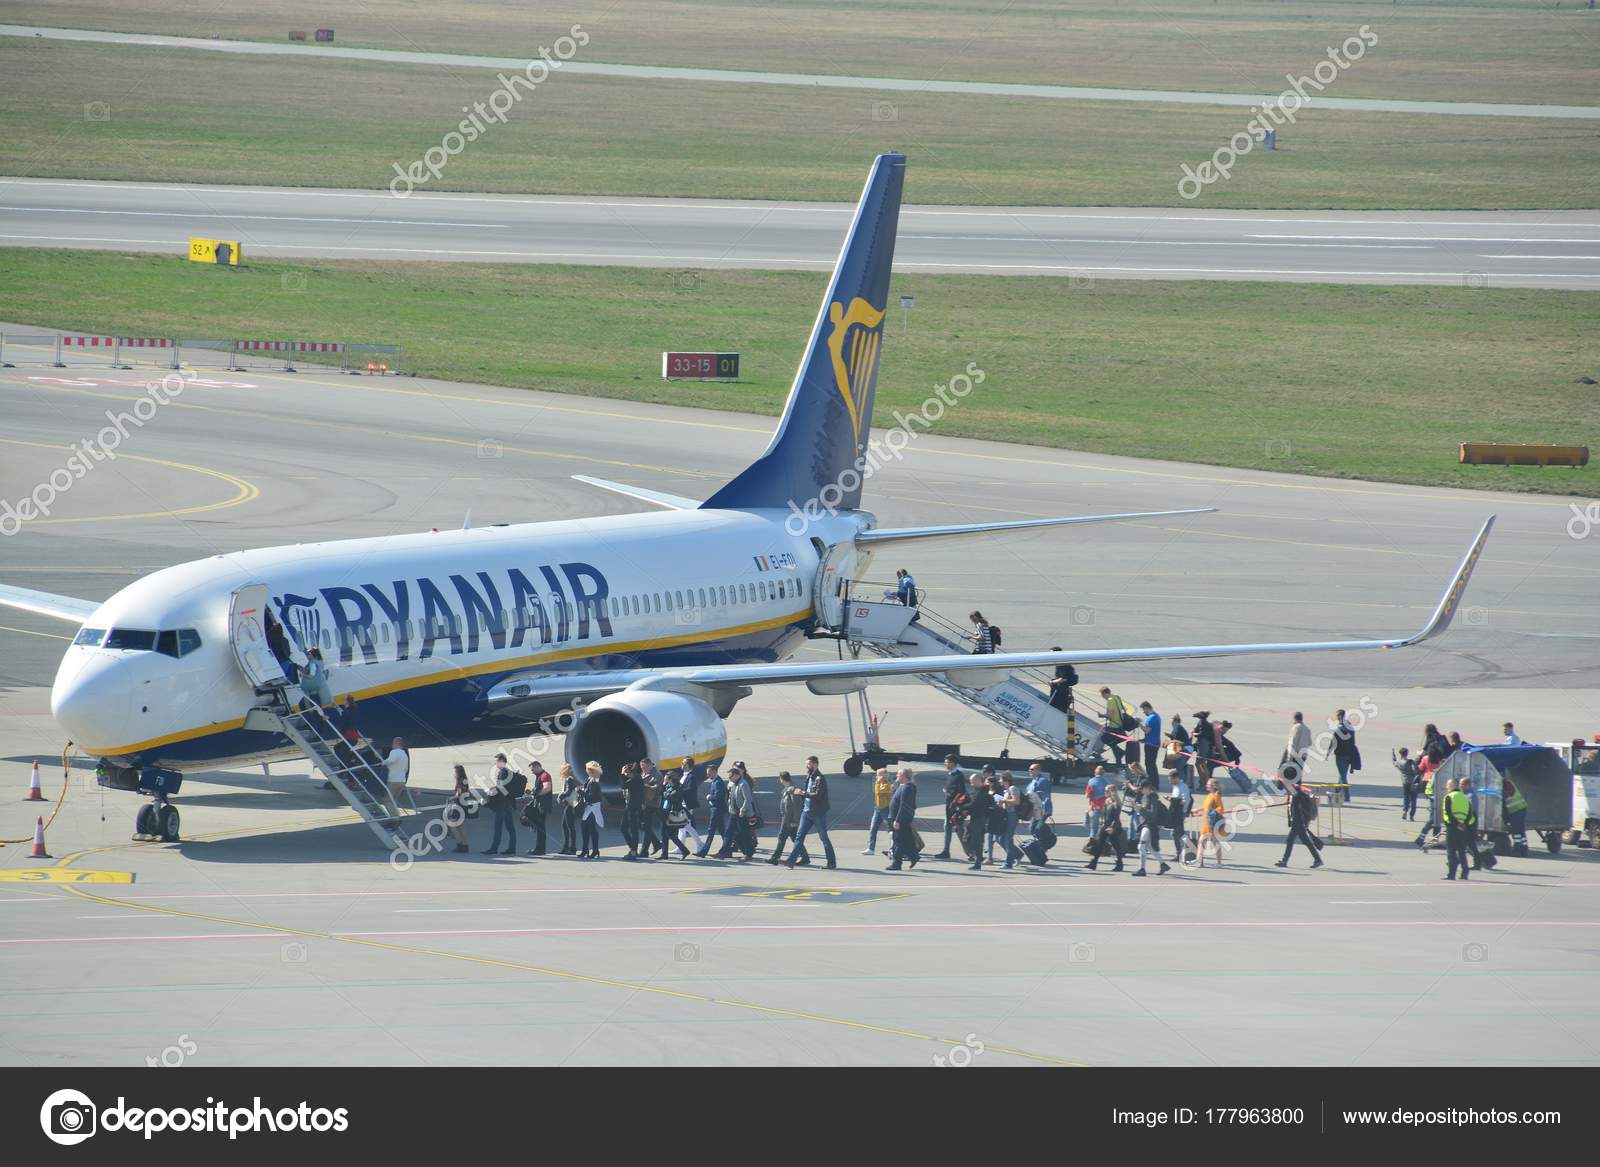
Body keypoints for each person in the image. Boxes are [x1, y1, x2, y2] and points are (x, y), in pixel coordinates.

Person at [788, 756, 836, 869]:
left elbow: (818, 795)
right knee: (799, 837)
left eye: (809, 764)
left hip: (817, 813)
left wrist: (802, 793)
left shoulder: (820, 778)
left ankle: (831, 862)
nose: (807, 766)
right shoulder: (809, 777)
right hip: (807, 811)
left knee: (824, 838)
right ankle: (791, 861)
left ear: (815, 764)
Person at [1275, 779, 1323, 869]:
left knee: (1290, 840)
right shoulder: (1295, 794)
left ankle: (1285, 861)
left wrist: (1304, 823)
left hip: (1299, 822)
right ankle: (1318, 859)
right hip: (1298, 822)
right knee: (1305, 841)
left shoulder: (1299, 795)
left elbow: (1303, 811)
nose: (1286, 790)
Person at [483, 752, 522, 855]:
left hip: (501, 804)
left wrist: (490, 792)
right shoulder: (510, 772)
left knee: (498, 827)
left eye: (496, 762)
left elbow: (501, 789)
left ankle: (494, 848)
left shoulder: (502, 773)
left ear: (501, 762)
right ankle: (512, 848)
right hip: (509, 803)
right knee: (510, 827)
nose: (495, 764)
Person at [1132, 778, 1170, 876]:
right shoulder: (1148, 797)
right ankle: (1163, 864)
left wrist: (1140, 809)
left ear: (1147, 788)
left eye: (1142, 788)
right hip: (1148, 825)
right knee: (1149, 847)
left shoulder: (1152, 798)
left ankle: (1142, 869)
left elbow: (1152, 814)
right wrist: (1139, 809)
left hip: (1150, 825)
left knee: (1141, 846)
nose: (1141, 790)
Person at [720, 762, 758, 860]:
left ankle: (749, 853)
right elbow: (731, 797)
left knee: (743, 833)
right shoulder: (733, 784)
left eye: (731, 776)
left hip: (742, 814)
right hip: (733, 812)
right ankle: (723, 852)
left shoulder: (743, 784)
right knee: (728, 833)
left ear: (737, 775)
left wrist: (742, 810)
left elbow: (747, 799)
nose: (730, 778)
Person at [1086, 780, 1126, 872]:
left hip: (1113, 827)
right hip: (1105, 826)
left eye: (1106, 791)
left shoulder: (1116, 804)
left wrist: (1112, 827)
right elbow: (1105, 814)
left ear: (1111, 792)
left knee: (1116, 846)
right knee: (1099, 844)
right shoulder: (1107, 801)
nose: (1104, 792)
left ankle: (1119, 864)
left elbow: (1116, 818)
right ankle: (1094, 863)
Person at [886, 767, 920, 870]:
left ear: (904, 776)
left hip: (900, 819)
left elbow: (904, 805)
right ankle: (914, 856)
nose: (896, 776)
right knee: (906, 839)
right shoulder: (903, 786)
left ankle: (897, 863)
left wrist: (898, 820)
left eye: (898, 774)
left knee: (898, 841)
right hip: (898, 817)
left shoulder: (907, 788)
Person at [1443, 777, 1476, 881]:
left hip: (1452, 827)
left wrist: (1455, 824)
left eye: (1448, 785)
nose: (1446, 787)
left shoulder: (1448, 797)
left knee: (1451, 851)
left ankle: (1451, 874)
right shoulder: (1465, 798)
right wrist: (1463, 824)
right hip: (1463, 828)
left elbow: (1447, 814)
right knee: (1462, 851)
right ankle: (1465, 873)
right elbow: (1470, 815)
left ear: (1451, 786)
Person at [768, 772, 804, 865]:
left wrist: (794, 821)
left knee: (782, 837)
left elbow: (796, 808)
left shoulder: (792, 790)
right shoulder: (787, 790)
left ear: (782, 779)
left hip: (788, 820)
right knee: (795, 839)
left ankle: (775, 858)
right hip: (787, 818)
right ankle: (805, 857)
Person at [935, 755, 967, 859]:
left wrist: (949, 793)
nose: (945, 764)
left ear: (952, 763)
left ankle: (970, 852)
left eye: (947, 762)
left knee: (959, 831)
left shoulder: (958, 775)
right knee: (947, 828)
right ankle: (946, 850)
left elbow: (961, 792)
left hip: (955, 808)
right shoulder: (950, 775)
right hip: (948, 807)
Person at [1326, 709, 1360, 803]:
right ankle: (1336, 793)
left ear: (1340, 716)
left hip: (1341, 755)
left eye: (1337, 716)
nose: (1336, 718)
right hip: (1350, 754)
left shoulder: (1339, 729)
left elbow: (1333, 742)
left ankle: (1347, 796)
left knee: (1343, 776)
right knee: (1342, 775)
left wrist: (1328, 753)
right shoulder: (1350, 727)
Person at [695, 762, 728, 858]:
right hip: (717, 809)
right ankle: (728, 850)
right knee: (722, 831)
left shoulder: (718, 782)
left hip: (717, 810)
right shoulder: (716, 781)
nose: (707, 775)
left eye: (709, 773)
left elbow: (718, 797)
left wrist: (709, 797)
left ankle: (703, 852)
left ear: (714, 772)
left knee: (711, 831)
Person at [661, 769, 692, 858]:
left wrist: (667, 795)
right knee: (663, 833)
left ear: (670, 779)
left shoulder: (678, 788)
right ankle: (664, 854)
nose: (665, 778)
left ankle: (684, 850)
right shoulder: (668, 786)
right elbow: (662, 793)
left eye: (666, 777)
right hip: (666, 812)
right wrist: (664, 786)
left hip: (673, 813)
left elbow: (674, 798)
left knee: (671, 834)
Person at [1100, 687, 1134, 765]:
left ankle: (1120, 753)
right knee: (1112, 742)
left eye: (1103, 696)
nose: (1103, 698)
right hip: (1120, 724)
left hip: (1114, 726)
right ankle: (1119, 758)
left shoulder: (1110, 700)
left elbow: (1109, 715)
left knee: (1104, 738)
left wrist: (1101, 715)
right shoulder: (1116, 697)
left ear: (1105, 694)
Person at [524, 760, 551, 856]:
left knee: (540, 828)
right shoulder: (540, 776)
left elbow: (547, 788)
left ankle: (540, 849)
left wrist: (537, 794)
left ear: (537, 767)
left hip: (542, 806)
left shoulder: (544, 775)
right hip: (540, 804)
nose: (532, 772)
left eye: (532, 769)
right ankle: (539, 848)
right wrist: (532, 793)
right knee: (539, 827)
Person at [964, 771, 989, 870]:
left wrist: (962, 807)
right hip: (975, 818)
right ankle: (976, 858)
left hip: (979, 819)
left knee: (976, 841)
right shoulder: (978, 790)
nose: (971, 784)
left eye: (972, 782)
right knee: (969, 838)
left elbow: (974, 805)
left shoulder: (982, 791)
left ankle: (978, 862)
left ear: (978, 781)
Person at [865, 767, 893, 855]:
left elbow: (877, 792)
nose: (876, 777)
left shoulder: (887, 785)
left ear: (883, 776)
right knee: (873, 828)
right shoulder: (880, 783)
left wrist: (878, 782)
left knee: (890, 830)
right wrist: (878, 782)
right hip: (877, 809)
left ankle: (893, 849)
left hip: (885, 809)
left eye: (877, 775)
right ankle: (871, 848)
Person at [1198, 779, 1226, 867]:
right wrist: (1197, 810)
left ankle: (1199, 862)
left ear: (1214, 786)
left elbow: (1221, 809)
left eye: (1208, 784)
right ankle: (1218, 863)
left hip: (1211, 823)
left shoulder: (1216, 796)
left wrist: (1212, 813)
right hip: (1207, 823)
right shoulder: (1210, 795)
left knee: (1202, 841)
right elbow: (1206, 807)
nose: (1207, 785)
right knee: (1214, 842)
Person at [579, 761, 604, 858]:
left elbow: (591, 797)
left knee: (591, 830)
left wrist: (581, 792)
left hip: (592, 808)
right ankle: (586, 850)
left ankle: (595, 850)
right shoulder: (590, 780)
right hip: (589, 807)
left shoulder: (593, 782)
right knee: (585, 829)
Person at [640, 761, 665, 858]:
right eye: (642, 767)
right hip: (645, 803)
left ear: (651, 765)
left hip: (652, 803)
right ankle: (656, 843)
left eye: (645, 766)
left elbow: (658, 788)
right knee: (644, 826)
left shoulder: (656, 775)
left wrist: (647, 787)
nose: (643, 768)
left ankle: (644, 851)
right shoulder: (644, 773)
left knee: (646, 826)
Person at [1168, 767, 1192, 865]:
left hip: (1180, 813)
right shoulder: (1175, 786)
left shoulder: (1183, 787)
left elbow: (1186, 800)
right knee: (1177, 833)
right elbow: (1176, 800)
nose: (1169, 782)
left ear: (1175, 778)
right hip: (1175, 813)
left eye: (1170, 780)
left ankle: (1188, 852)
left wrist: (1182, 809)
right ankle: (1182, 854)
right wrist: (1170, 799)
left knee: (1178, 834)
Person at [445, 764, 472, 853]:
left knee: (452, 825)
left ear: (458, 772)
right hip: (463, 806)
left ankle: (459, 844)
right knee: (460, 826)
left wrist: (450, 798)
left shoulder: (460, 781)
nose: (454, 774)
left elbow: (458, 795)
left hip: (457, 806)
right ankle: (465, 845)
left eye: (455, 772)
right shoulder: (465, 780)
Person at [620, 762, 644, 859]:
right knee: (623, 828)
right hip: (630, 806)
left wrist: (622, 774)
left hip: (633, 807)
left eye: (626, 772)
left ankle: (633, 851)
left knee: (633, 830)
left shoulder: (635, 779)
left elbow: (623, 785)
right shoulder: (635, 778)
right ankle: (632, 848)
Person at [998, 775, 1023, 869]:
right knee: (1002, 839)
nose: (999, 781)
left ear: (1006, 780)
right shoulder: (1007, 790)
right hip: (1007, 815)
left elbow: (1016, 801)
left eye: (1001, 780)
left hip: (1012, 815)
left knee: (1008, 839)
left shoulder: (1013, 788)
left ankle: (1009, 863)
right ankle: (1018, 854)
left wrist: (1004, 800)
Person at [383, 736, 413, 814]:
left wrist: (383, 762)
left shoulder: (394, 752)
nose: (392, 744)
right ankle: (396, 816)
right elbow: (406, 769)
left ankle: (395, 818)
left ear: (396, 743)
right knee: (393, 801)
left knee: (387, 801)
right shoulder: (404, 754)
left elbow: (391, 760)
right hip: (402, 780)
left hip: (393, 780)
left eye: (393, 742)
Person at [1218, 720, 1250, 793]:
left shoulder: (1220, 736)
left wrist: (1232, 760)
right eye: (1224, 730)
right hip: (1230, 755)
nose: (1224, 732)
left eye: (1226, 731)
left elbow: (1229, 745)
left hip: (1229, 756)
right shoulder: (1218, 734)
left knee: (1210, 765)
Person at [557, 762, 582, 854]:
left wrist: (560, 796)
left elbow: (568, 791)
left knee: (569, 827)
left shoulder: (569, 780)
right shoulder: (571, 779)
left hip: (571, 805)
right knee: (566, 826)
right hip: (571, 804)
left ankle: (572, 848)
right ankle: (566, 847)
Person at [1503, 775, 1529, 856]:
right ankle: (1524, 848)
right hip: (1521, 808)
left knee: (1516, 830)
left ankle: (1517, 848)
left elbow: (1507, 795)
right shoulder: (1508, 783)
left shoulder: (1506, 785)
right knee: (1521, 830)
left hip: (1516, 809)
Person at [1285, 712, 1313, 784]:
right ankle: (1299, 790)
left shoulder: (1295, 727)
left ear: (1295, 719)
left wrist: (1289, 757)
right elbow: (1310, 743)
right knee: (1299, 774)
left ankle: (1294, 792)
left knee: (1292, 775)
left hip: (1295, 755)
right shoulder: (1307, 729)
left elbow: (1292, 743)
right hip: (1303, 755)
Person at [1191, 711, 1218, 784]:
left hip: (1204, 744)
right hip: (1201, 744)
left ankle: (1206, 781)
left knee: (1202, 763)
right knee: (1198, 763)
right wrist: (1195, 732)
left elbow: (1201, 734)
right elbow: (1197, 731)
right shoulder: (1201, 722)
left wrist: (1194, 733)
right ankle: (1204, 780)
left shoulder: (1204, 723)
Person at [1138, 702, 1162, 782]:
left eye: (1143, 710)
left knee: (1149, 764)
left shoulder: (1151, 718)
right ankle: (1154, 782)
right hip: (1154, 742)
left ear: (1146, 708)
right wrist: (1144, 739)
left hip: (1151, 744)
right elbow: (1153, 731)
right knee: (1152, 764)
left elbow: (1147, 731)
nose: (1143, 712)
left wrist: (1139, 724)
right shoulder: (1156, 716)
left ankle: (1152, 782)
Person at [1393, 748, 1420, 821]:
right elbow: (1415, 770)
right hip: (1413, 782)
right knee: (1413, 798)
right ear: (1407, 753)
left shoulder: (1399, 763)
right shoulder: (1410, 762)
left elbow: (1394, 762)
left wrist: (1393, 755)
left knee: (1406, 798)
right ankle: (1412, 815)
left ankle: (1405, 811)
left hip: (1405, 782)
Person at [1167, 714, 1192, 785]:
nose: (1171, 723)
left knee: (1179, 767)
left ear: (1175, 721)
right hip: (1185, 749)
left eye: (1172, 721)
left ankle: (1183, 783)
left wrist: (1170, 738)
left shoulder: (1177, 727)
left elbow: (1175, 738)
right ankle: (1185, 782)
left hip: (1186, 749)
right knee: (1180, 766)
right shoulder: (1177, 728)